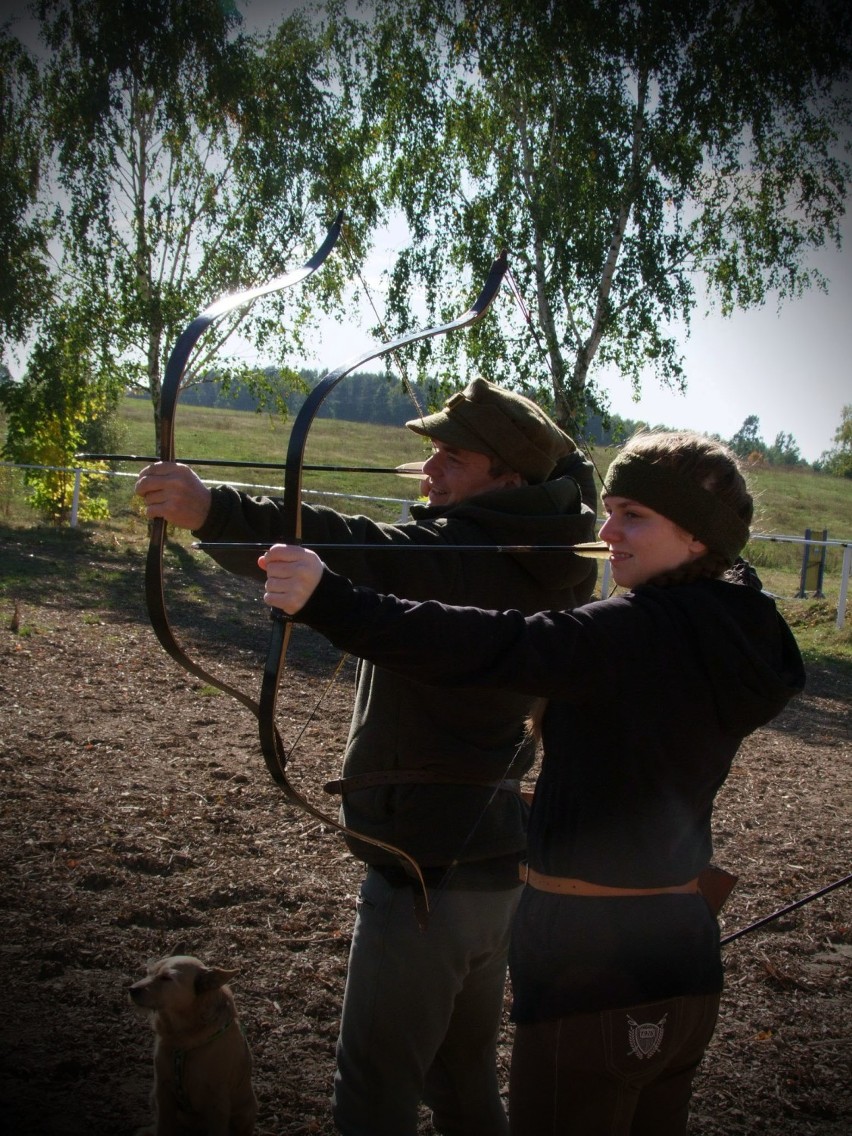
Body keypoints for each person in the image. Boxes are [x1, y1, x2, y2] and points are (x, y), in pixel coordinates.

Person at [257, 430, 806, 1136]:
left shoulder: (633, 633)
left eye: (633, 514)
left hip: (592, 976)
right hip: (686, 962)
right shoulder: (746, 629)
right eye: (607, 509)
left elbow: (494, 644)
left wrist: (329, 599)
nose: (607, 532)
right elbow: (642, 756)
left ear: (699, 537)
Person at [135, 376, 599, 1136]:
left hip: (422, 879)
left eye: (453, 456)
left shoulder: (465, 559)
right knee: (462, 1081)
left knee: (372, 1094)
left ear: (509, 478)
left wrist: (210, 509)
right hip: (493, 869)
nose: (430, 470)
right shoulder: (549, 549)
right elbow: (563, 468)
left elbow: (363, 550)